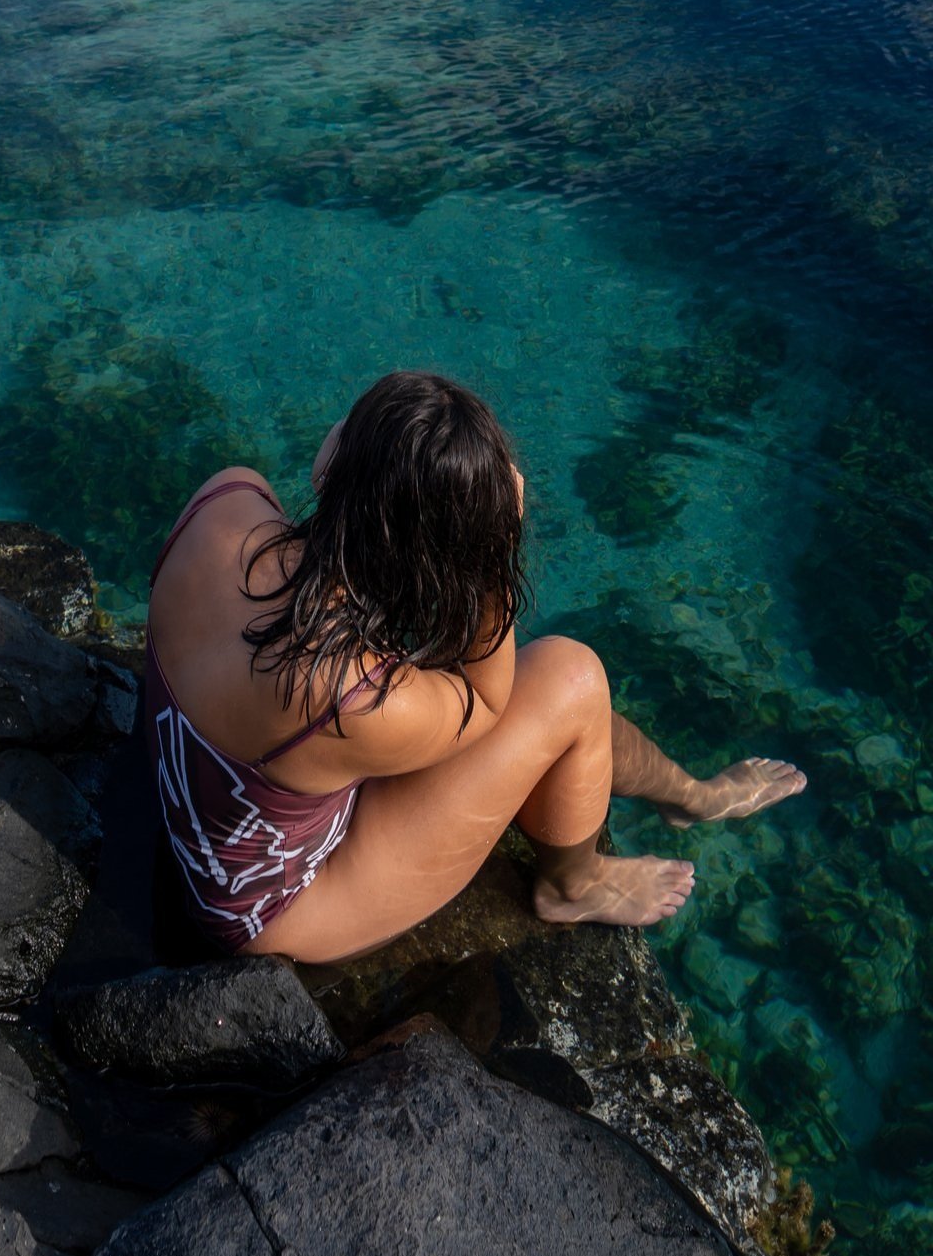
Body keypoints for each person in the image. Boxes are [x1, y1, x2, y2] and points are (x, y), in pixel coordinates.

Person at [142, 367, 806, 960]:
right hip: (266, 908)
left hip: (213, 792)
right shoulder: (353, 695)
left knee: (564, 692)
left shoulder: (226, 498)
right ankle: (576, 882)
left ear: (331, 460)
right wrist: (496, 546)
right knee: (573, 679)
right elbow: (489, 702)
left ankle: (689, 796)